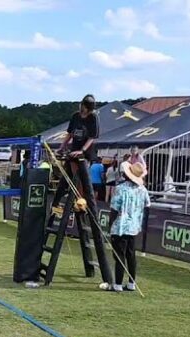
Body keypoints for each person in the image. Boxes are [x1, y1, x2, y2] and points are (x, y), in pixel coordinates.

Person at [107, 159, 150, 292]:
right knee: (131, 255)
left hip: (120, 226)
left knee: (119, 255)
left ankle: (118, 284)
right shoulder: (143, 190)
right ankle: (131, 283)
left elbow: (114, 209)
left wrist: (110, 225)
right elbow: (147, 206)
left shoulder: (121, 189)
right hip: (133, 227)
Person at [55, 94, 99, 212]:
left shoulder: (93, 117)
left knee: (82, 177)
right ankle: (71, 200)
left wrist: (82, 150)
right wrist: (61, 146)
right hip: (74, 149)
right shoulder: (75, 116)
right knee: (70, 176)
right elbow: (69, 134)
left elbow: (92, 137)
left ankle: (81, 201)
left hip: (85, 152)